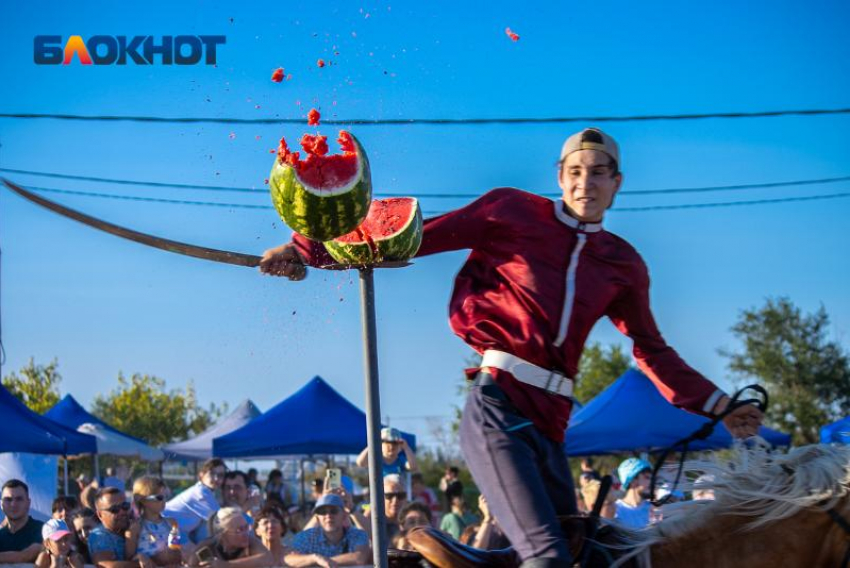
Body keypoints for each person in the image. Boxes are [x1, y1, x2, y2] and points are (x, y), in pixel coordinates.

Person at [260, 127, 765, 566]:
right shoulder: (512, 211)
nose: (585, 182)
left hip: (551, 427)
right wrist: (306, 249)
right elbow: (416, 237)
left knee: (584, 555)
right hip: (497, 408)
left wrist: (720, 405)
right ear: (559, 176)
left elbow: (651, 350)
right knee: (546, 557)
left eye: (599, 172)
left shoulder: (623, 264)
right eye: (575, 171)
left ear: (617, 183)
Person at [285, 494, 369, 567]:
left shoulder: (358, 535)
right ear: (317, 518)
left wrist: (324, 561)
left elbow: (359, 558)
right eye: (322, 512)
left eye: (334, 511)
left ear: (344, 515)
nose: (328, 515)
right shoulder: (306, 536)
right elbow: (288, 559)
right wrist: (314, 558)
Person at [164, 458, 225, 543]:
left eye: (220, 475)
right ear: (201, 475)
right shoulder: (201, 492)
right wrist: (248, 504)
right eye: (212, 473)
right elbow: (224, 519)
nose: (216, 478)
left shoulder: (204, 491)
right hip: (167, 527)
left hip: (172, 527)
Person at [125, 476, 182, 567]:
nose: (164, 501)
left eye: (165, 496)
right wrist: (140, 557)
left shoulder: (171, 523)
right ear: (142, 500)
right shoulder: (135, 527)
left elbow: (176, 550)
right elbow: (128, 558)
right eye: (159, 497)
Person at [189, 507, 271, 568]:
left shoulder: (250, 541)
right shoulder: (208, 546)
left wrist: (225, 565)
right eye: (239, 530)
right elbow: (191, 564)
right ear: (223, 534)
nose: (246, 533)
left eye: (246, 527)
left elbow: (267, 559)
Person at [88, 487, 137, 568]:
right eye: (114, 509)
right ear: (100, 515)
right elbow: (107, 566)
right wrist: (145, 565)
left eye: (125, 506)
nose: (122, 512)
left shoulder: (134, 528)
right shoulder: (99, 535)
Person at [0, 479, 44, 563]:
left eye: (19, 499)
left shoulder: (43, 530)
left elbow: (24, 556)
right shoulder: (1, 534)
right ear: (1, 505)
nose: (13, 504)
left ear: (28, 503)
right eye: (8, 499)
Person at [613, 458, 652, 529]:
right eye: (647, 477)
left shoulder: (653, 509)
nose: (651, 482)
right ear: (632, 481)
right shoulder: (616, 511)